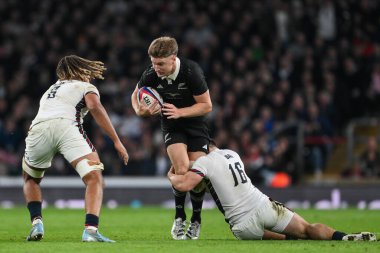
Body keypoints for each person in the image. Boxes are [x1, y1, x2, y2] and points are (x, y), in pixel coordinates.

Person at [167, 142, 376, 241]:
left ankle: (293, 237)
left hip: (242, 226)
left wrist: (172, 174)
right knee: (307, 229)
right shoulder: (233, 153)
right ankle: (344, 237)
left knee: (291, 239)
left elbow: (184, 185)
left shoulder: (204, 162)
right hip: (262, 205)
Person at [23, 55, 129, 242]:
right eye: (87, 71)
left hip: (37, 129)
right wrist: (116, 140)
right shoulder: (84, 86)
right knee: (94, 178)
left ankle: (36, 223)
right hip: (66, 128)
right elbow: (95, 106)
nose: (89, 75)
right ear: (79, 71)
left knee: (31, 178)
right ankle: (90, 230)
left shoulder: (50, 89)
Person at [131, 36, 212, 240]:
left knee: (197, 172)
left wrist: (180, 111)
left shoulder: (191, 72)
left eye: (160, 63)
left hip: (195, 124)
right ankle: (179, 216)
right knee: (182, 168)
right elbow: (135, 94)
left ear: (173, 58)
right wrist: (140, 111)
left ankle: (196, 218)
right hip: (171, 124)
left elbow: (206, 105)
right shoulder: (151, 73)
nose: (155, 68)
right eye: (152, 62)